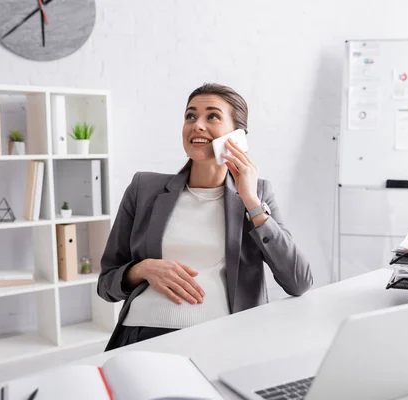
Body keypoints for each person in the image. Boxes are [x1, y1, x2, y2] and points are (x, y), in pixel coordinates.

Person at [97, 83, 313, 350]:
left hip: (224, 338)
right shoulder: (144, 188)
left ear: (237, 136)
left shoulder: (258, 194)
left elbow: (299, 282)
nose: (197, 125)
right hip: (142, 335)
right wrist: (141, 270)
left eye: (212, 116)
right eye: (190, 116)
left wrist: (252, 203)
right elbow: (106, 284)